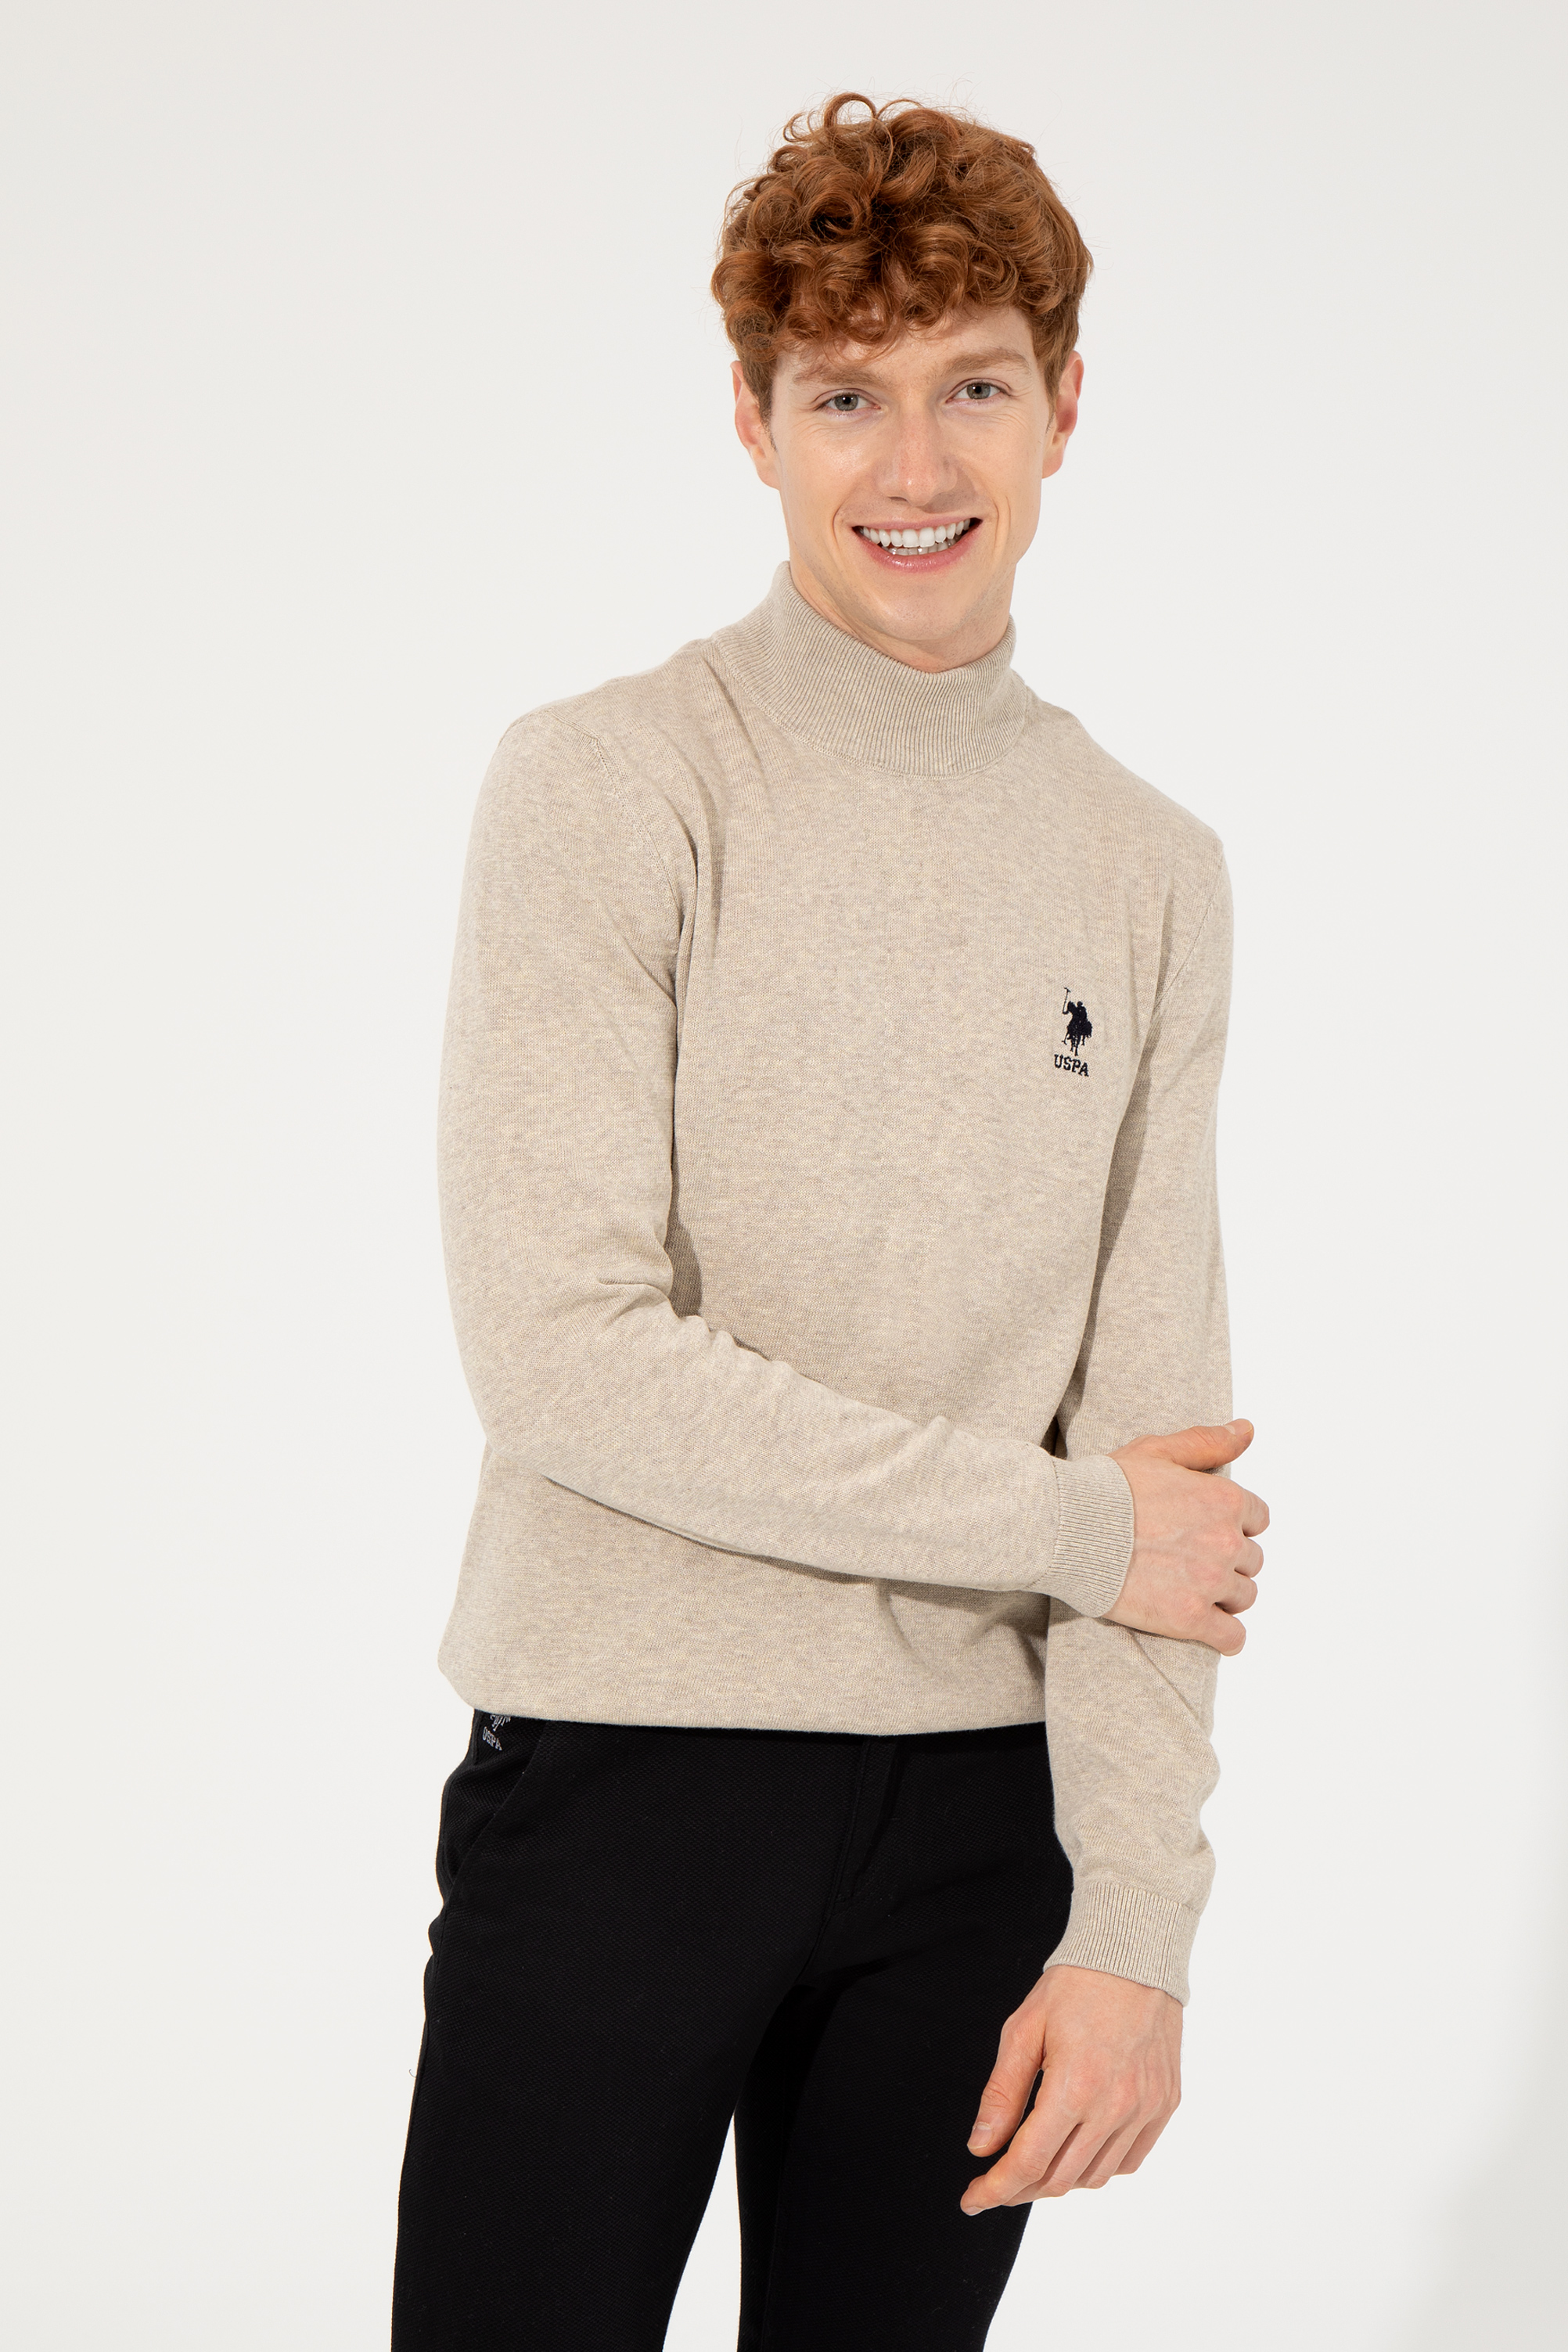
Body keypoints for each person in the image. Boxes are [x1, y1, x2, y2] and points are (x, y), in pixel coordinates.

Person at [390, 90, 1269, 2352]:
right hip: (625, 1779)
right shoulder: (614, 782)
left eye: (972, 383)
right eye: (844, 398)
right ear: (754, 425)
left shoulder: (1153, 869)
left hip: (982, 1828)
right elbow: (565, 1356)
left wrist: (1135, 1922)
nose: (914, 463)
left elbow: (1160, 1444)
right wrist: (1066, 1530)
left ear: (1064, 404)